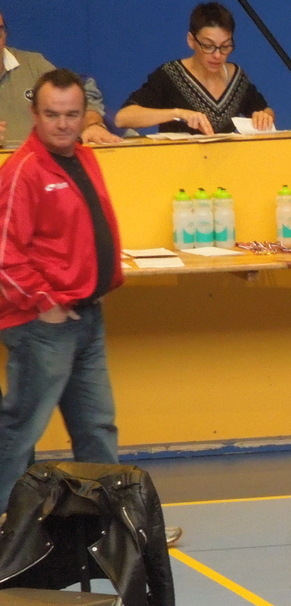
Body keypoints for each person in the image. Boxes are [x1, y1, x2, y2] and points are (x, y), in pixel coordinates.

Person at [0, 70, 124, 510]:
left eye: (72, 115)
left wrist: (98, 281)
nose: (62, 124)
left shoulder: (85, 159)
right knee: (21, 430)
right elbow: (5, 255)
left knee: (97, 426)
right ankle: (8, 525)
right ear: (34, 114)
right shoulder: (23, 172)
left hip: (85, 317)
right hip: (42, 325)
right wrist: (44, 303)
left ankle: (110, 523)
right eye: (52, 114)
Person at [115, 4, 273, 136]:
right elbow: (123, 118)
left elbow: (265, 110)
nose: (217, 55)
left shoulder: (236, 78)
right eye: (208, 46)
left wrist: (264, 117)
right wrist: (178, 113)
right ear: (191, 40)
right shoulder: (170, 74)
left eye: (225, 46)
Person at [0, 9, 118, 147]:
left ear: (5, 35)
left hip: (41, 156)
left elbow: (80, 102)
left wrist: (93, 125)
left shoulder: (33, 64)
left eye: (0, 31)